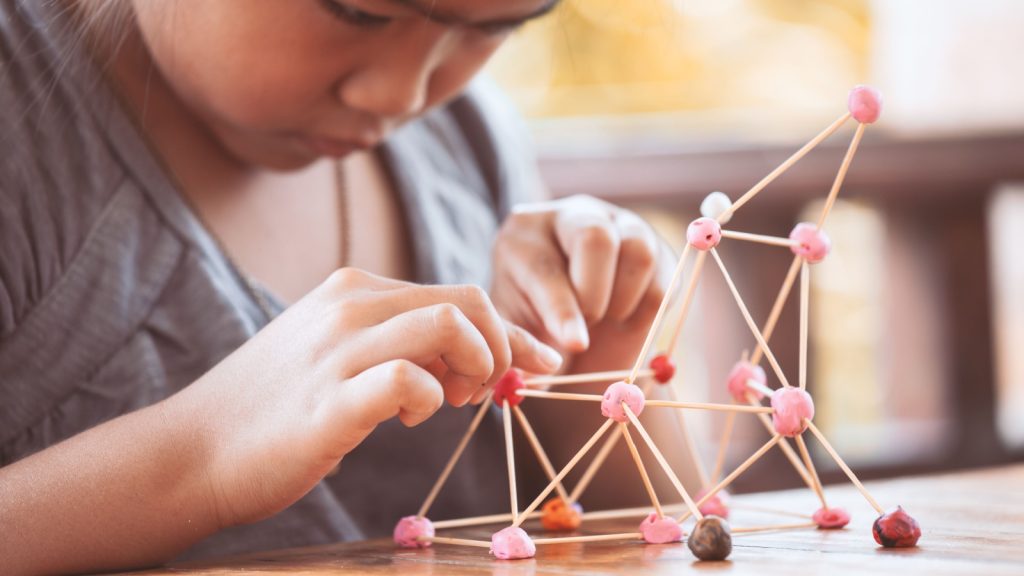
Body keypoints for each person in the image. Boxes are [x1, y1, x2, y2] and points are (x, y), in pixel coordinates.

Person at [0, 1, 679, 574]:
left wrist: (601, 354)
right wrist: (197, 456)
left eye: (498, 24)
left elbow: (650, 526)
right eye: (359, 11)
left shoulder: (465, 138)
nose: (402, 96)